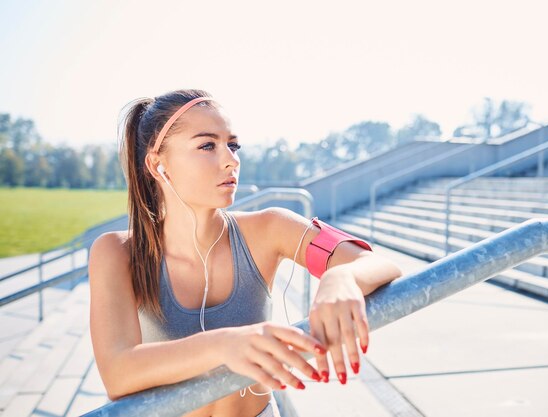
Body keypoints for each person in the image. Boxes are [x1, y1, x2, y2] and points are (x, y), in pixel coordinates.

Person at [88, 88, 403, 417]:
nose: (231, 159)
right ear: (157, 164)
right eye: (207, 145)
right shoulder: (117, 252)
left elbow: (376, 262)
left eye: (233, 145)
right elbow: (118, 374)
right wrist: (225, 344)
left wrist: (342, 278)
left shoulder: (269, 228)